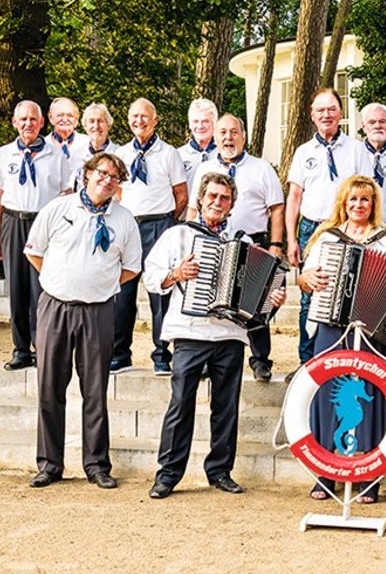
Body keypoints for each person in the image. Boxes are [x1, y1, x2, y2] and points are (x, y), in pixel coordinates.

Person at [143, 173, 286, 499]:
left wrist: (271, 300)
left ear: (232, 205)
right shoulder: (177, 234)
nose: (217, 202)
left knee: (226, 407)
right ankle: (167, 475)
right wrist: (175, 274)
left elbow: (256, 299)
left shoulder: (245, 242)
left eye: (224, 198)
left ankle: (220, 471)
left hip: (230, 335)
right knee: (180, 405)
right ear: (200, 199)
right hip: (189, 332)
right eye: (212, 196)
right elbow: (150, 277)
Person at [23, 153, 142, 488]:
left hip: (97, 311)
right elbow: (34, 251)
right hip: (55, 308)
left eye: (115, 176)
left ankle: (97, 465)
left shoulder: (124, 220)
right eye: (102, 173)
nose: (108, 180)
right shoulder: (58, 209)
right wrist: (60, 281)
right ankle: (49, 464)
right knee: (49, 387)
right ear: (87, 174)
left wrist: (100, 285)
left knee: (94, 390)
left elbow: (132, 267)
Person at [297, 175, 386, 504]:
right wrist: (306, 278)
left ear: (374, 204)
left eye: (365, 200)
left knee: (370, 399)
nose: (359, 205)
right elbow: (305, 280)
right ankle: (324, 474)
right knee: (326, 398)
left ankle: (368, 479)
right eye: (353, 200)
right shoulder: (325, 238)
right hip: (332, 326)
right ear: (343, 204)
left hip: (374, 330)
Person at [187, 113, 285, 382]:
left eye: (234, 132)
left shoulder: (262, 167)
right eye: (223, 133)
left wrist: (276, 245)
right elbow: (194, 207)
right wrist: (187, 237)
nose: (228, 138)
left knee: (256, 302)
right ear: (215, 137)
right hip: (213, 239)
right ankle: (209, 358)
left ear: (243, 136)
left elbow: (276, 208)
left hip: (254, 241)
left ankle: (260, 359)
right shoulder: (205, 168)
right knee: (214, 298)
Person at [285, 88, 372, 376]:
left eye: (332, 109)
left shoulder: (356, 149)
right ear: (312, 115)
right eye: (320, 110)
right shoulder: (303, 152)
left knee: (347, 296)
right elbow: (295, 197)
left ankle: (342, 359)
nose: (326, 114)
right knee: (311, 295)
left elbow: (366, 189)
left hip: (346, 228)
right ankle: (306, 363)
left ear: (341, 113)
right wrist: (291, 238)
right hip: (312, 227)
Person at [0, 100, 72, 371]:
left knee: (42, 287)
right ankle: (20, 349)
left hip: (43, 224)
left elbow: (66, 196)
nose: (28, 124)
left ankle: (43, 348)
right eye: (23, 119)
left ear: (42, 123)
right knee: (16, 288)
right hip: (14, 221)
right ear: (14, 122)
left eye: (33, 120)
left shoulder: (57, 155)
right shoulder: (3, 154)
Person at [112, 98, 188, 376]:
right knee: (123, 293)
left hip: (160, 226)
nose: (139, 121)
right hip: (130, 227)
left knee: (161, 293)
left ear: (155, 120)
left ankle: (161, 354)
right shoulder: (121, 152)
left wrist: (168, 224)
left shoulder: (168, 153)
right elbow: (118, 192)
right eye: (134, 116)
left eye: (145, 116)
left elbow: (181, 195)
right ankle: (120, 354)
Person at [359, 102, 386, 225]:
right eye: (372, 122)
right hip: (362, 225)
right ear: (364, 127)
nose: (377, 126)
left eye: (382, 121)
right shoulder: (354, 154)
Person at [69, 103, 118, 189]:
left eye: (100, 121)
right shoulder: (75, 155)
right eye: (91, 121)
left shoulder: (120, 154)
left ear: (109, 125)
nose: (96, 126)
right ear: (85, 126)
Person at [177, 98, 219, 199]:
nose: (200, 126)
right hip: (187, 213)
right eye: (195, 121)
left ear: (214, 124)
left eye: (205, 121)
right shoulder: (177, 155)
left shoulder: (223, 154)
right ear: (190, 125)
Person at [47, 97, 92, 181]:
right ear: (51, 118)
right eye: (60, 115)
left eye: (69, 115)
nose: (64, 119)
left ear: (76, 120)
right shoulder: (42, 146)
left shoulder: (89, 144)